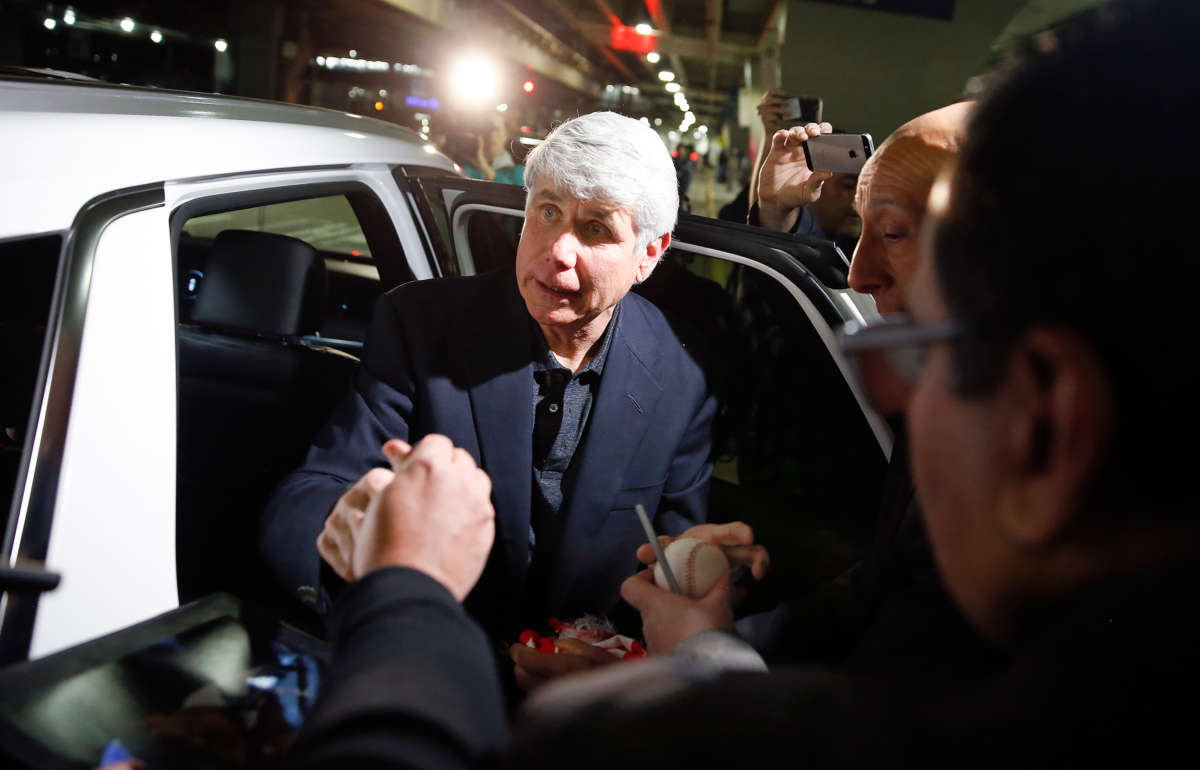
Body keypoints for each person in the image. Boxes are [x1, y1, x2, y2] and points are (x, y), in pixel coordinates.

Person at [260, 111, 716, 650]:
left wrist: (631, 654)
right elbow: (311, 498)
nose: (558, 251)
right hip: (431, 656)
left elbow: (678, 553)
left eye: (596, 228)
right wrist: (368, 554)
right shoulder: (420, 327)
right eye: (548, 210)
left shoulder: (684, 375)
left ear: (649, 254)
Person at [460, 112, 525, 186]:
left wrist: (486, 169)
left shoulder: (519, 173)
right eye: (486, 128)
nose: (491, 134)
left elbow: (515, 195)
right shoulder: (466, 169)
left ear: (506, 134)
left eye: (496, 129)